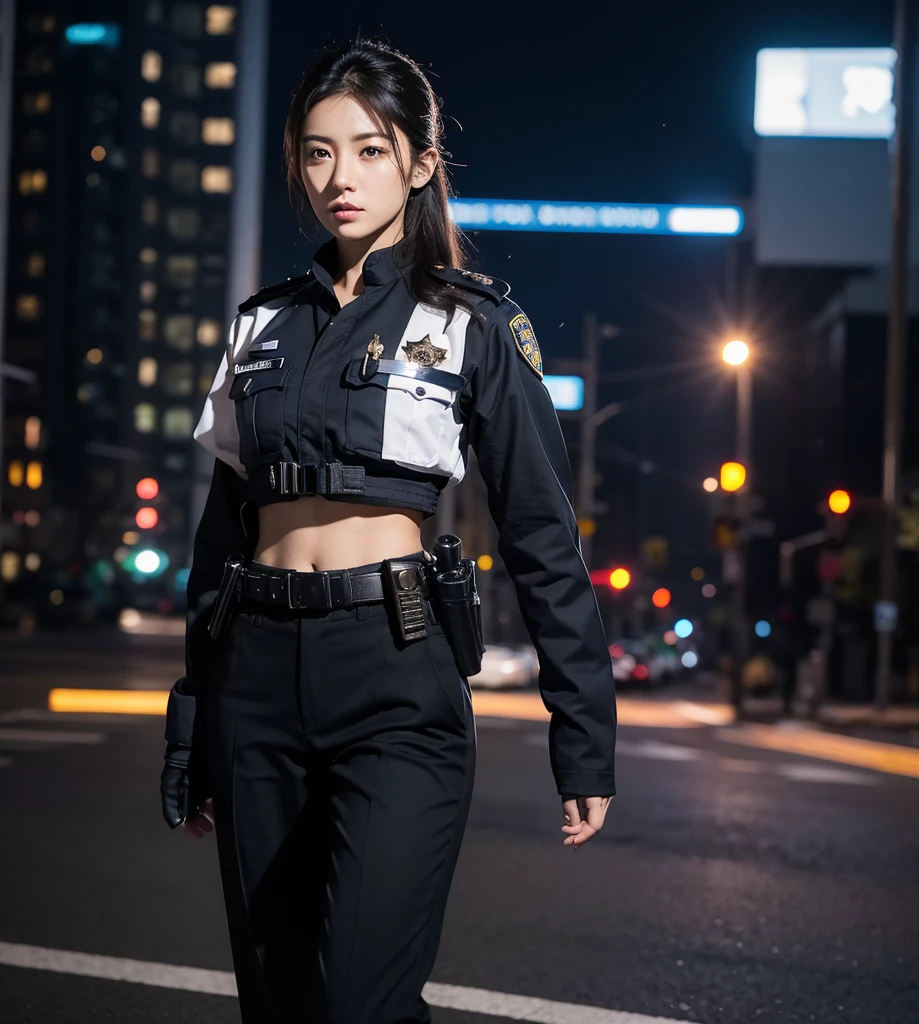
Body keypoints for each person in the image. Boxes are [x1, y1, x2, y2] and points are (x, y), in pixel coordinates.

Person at [159, 39, 617, 1024]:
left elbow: (541, 534)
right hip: (257, 683)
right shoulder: (260, 328)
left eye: (369, 151)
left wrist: (583, 733)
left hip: (396, 674)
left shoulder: (476, 323)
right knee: (280, 1003)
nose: (340, 178)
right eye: (318, 154)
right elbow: (215, 545)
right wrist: (194, 722)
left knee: (361, 1000)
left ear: (418, 163)